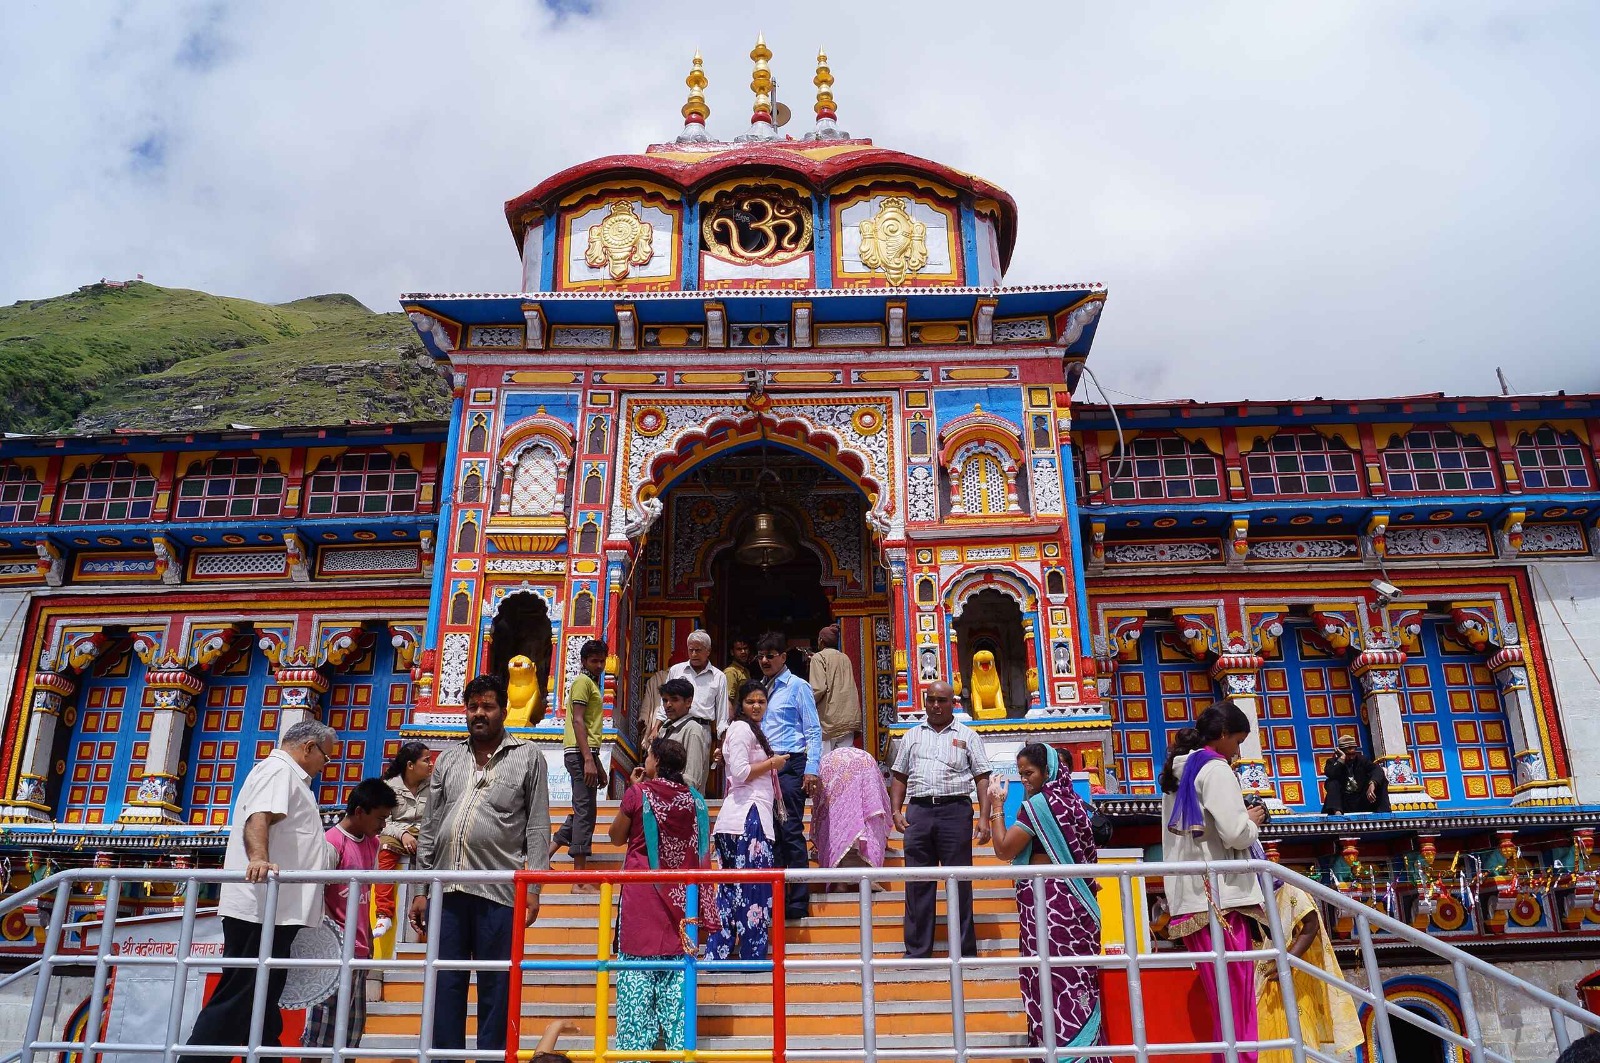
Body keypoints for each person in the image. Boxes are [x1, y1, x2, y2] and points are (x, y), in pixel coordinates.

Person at [178, 721, 337, 1063]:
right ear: (309, 747)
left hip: (279, 910)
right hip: (260, 906)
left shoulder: (293, 778)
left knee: (262, 998)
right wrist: (260, 859)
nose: (327, 764)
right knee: (240, 995)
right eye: (326, 755)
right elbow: (258, 817)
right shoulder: (279, 771)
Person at [411, 673, 551, 1055]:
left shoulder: (528, 756)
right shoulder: (449, 758)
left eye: (487, 706)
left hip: (499, 890)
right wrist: (421, 888)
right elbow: (430, 825)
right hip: (447, 887)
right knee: (445, 985)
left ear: (504, 710)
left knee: (497, 986)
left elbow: (538, 825)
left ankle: (493, 1056)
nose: (479, 714)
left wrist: (534, 888)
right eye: (473, 707)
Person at [1160, 701, 1270, 1063]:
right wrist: (1253, 819)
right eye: (1238, 741)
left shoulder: (1178, 771)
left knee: (1220, 996)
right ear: (1223, 736)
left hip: (1192, 898)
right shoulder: (1215, 770)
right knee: (1237, 996)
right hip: (1222, 899)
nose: (1238, 751)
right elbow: (1237, 834)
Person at [987, 744, 1105, 1057]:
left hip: (1049, 906)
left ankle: (1060, 1052)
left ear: (1046, 772)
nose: (1025, 780)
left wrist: (997, 804)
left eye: (1029, 773)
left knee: (1050, 979)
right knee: (1076, 978)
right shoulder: (1074, 802)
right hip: (1078, 907)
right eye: (1022, 774)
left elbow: (1003, 849)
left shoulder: (1038, 806)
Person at [606, 737, 718, 1055]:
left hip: (641, 904)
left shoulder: (638, 794)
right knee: (677, 1006)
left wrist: (634, 787)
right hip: (683, 908)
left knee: (635, 1006)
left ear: (654, 760)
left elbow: (615, 838)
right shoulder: (695, 800)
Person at [888, 681, 993, 958]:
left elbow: (982, 778)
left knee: (959, 882)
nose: (935, 705)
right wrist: (896, 810)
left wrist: (984, 817)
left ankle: (964, 951)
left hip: (955, 812)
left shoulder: (968, 736)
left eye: (942, 701)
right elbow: (899, 775)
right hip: (919, 812)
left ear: (953, 703)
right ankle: (917, 952)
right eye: (931, 700)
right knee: (918, 882)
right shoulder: (911, 736)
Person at [302, 778, 399, 1052]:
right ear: (359, 811)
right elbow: (314, 897)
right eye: (379, 818)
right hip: (332, 952)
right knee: (320, 1035)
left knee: (351, 1035)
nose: (382, 825)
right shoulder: (331, 843)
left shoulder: (373, 844)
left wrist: (367, 943)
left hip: (359, 950)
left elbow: (365, 898)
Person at [708, 680, 783, 959]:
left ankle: (721, 953)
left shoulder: (750, 730)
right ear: (740, 704)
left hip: (741, 817)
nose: (756, 706)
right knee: (753, 890)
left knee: (730, 889)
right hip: (747, 818)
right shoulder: (741, 728)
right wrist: (773, 764)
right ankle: (751, 955)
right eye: (750, 701)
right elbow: (739, 772)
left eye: (761, 702)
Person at [1254, 874, 1362, 1063]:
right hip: (1251, 977)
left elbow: (1311, 923)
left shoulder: (1282, 885)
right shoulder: (1236, 889)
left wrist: (1288, 960)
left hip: (1284, 981)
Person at [753, 631, 823, 922]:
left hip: (791, 765)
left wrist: (811, 769)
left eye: (771, 655)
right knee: (769, 833)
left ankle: (797, 900)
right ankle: (775, 898)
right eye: (761, 656)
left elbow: (813, 730)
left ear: (784, 656)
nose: (765, 660)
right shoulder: (760, 690)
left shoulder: (798, 687)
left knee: (791, 830)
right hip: (763, 769)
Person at [553, 639, 607, 886]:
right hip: (578, 752)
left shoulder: (592, 684)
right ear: (584, 661)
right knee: (585, 812)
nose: (598, 665)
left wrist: (597, 763)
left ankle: (546, 855)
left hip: (586, 752)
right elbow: (577, 721)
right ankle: (579, 880)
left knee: (583, 809)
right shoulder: (582, 683)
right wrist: (587, 759)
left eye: (601, 661)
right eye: (594, 660)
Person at [373, 742, 433, 943]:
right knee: (386, 851)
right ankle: (384, 914)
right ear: (410, 765)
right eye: (426, 760)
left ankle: (427, 909)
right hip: (397, 835)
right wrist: (403, 834)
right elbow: (384, 822)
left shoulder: (434, 786)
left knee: (432, 854)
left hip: (425, 835)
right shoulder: (389, 787)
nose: (430, 764)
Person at [813, 744, 892, 875]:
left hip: (834, 799)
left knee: (837, 833)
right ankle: (870, 875)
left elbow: (818, 802)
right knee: (869, 827)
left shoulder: (827, 761)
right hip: (859, 792)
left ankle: (840, 881)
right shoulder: (866, 760)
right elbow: (877, 799)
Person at [666, 629, 730, 738]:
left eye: (698, 650)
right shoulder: (676, 671)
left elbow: (722, 714)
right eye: (691, 650)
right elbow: (665, 702)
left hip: (702, 730)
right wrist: (657, 727)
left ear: (708, 651)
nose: (694, 654)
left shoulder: (719, 677)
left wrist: (721, 741)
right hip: (676, 726)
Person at [809, 624, 861, 754]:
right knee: (843, 764)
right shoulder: (845, 658)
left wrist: (806, 705)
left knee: (825, 763)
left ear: (821, 640)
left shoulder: (819, 658)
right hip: (848, 721)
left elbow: (818, 688)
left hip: (829, 721)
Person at [653, 677, 711, 794]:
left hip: (679, 800)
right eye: (665, 700)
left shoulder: (692, 730)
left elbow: (692, 777)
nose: (668, 705)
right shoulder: (664, 729)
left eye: (674, 700)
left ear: (688, 702)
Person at [1320, 735, 1391, 814]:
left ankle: (1384, 812)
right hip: (1344, 802)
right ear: (1340, 752)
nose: (1351, 758)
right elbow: (1330, 773)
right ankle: (1337, 813)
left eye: (1353, 754)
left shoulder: (1362, 760)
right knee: (1332, 782)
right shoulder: (1332, 762)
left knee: (1380, 779)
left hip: (1361, 800)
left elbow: (1377, 770)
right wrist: (1342, 759)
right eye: (1348, 755)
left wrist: (1372, 783)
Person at [724, 638, 754, 713]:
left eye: (745, 648)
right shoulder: (731, 672)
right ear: (732, 652)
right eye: (739, 649)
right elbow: (727, 700)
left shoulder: (745, 671)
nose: (743, 652)